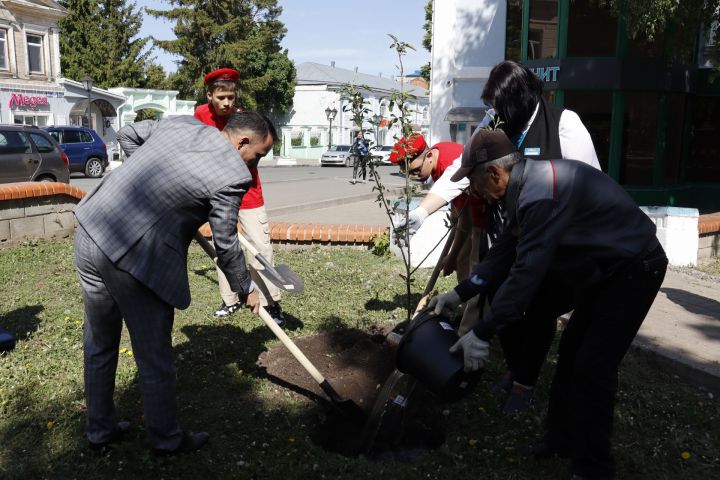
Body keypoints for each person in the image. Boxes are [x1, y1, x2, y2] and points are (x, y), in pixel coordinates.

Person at [430, 130, 667, 480]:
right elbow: (503, 253)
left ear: (494, 174)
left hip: (634, 269)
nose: (474, 190)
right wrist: (461, 292)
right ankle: (560, 441)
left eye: (475, 182)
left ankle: (594, 469)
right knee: (571, 356)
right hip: (604, 271)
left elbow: (526, 274)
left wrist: (482, 332)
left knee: (593, 367)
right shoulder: (522, 187)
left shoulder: (540, 194)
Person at [73, 111, 274, 455]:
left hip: (91, 229)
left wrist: (150, 187)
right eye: (258, 155)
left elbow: (128, 134)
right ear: (243, 141)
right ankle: (166, 441)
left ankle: (100, 430)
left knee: (100, 343)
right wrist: (246, 288)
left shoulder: (181, 124)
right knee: (154, 357)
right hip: (132, 259)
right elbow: (226, 244)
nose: (255, 164)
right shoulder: (234, 175)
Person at [194, 68, 286, 327]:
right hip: (216, 193)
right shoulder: (200, 117)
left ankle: (270, 301)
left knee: (261, 246)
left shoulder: (245, 119)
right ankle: (230, 299)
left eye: (231, 97)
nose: (227, 103)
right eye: (221, 97)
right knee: (223, 245)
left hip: (248, 194)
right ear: (210, 95)